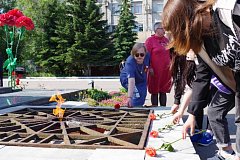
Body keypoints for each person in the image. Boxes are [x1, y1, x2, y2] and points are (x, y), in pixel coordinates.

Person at [162, 0, 240, 159]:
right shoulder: (201, 42)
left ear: (188, 21)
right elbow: (201, 78)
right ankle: (228, 153)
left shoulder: (229, 11)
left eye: (178, 32)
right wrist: (192, 114)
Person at [145, 22, 172, 106]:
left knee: (163, 91)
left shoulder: (166, 40)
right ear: (156, 30)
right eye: (162, 28)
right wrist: (149, 67)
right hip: (155, 71)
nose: (164, 30)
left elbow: (170, 54)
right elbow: (146, 56)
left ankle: (163, 109)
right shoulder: (150, 40)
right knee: (155, 91)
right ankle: (155, 110)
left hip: (165, 71)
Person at [120, 43, 150, 107]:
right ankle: (133, 109)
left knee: (143, 94)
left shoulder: (148, 56)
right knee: (137, 95)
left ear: (145, 53)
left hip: (141, 75)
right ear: (133, 55)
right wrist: (129, 97)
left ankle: (139, 106)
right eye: (137, 55)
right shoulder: (130, 62)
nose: (139, 56)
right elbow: (131, 80)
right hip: (127, 79)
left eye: (142, 54)